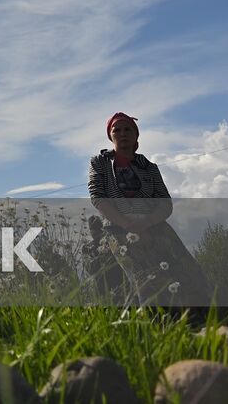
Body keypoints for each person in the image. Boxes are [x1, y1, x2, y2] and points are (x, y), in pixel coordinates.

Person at [88, 112, 210, 312]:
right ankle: (158, 327)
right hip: (118, 230)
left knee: (188, 272)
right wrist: (130, 227)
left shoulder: (149, 167)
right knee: (145, 279)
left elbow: (165, 203)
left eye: (127, 129)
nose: (122, 133)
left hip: (156, 226)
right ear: (110, 135)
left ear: (136, 135)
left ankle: (199, 321)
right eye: (116, 130)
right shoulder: (99, 163)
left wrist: (146, 223)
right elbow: (98, 198)